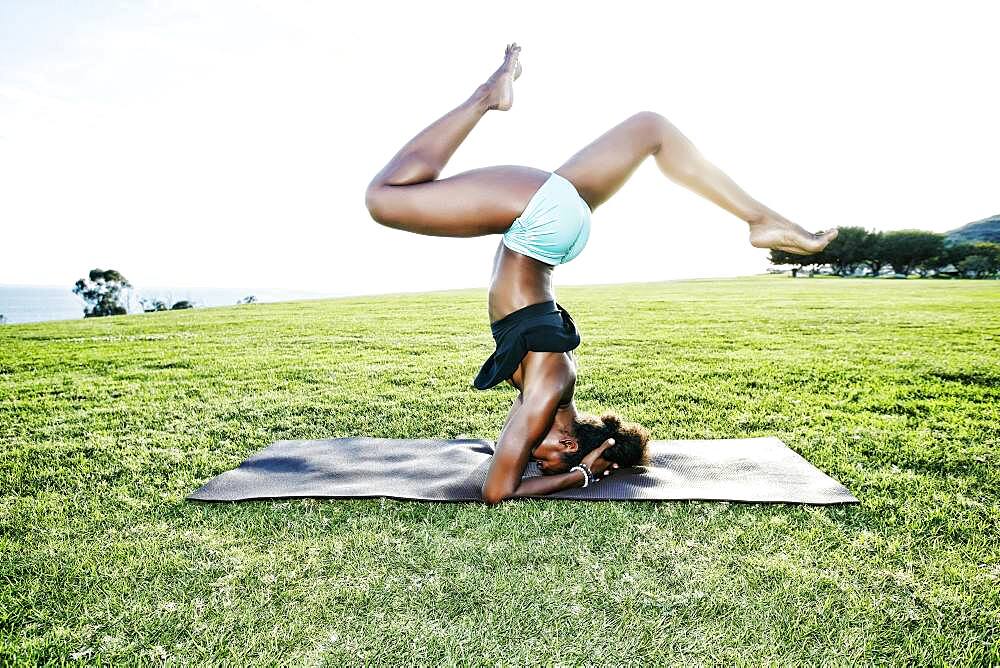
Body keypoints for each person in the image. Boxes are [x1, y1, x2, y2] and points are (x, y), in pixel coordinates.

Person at [364, 44, 837, 504]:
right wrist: (580, 474)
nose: (532, 457)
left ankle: (760, 218)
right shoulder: (548, 390)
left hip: (552, 229)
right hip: (538, 223)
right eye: (542, 460)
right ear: (568, 444)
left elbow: (513, 469)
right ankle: (486, 97)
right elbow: (497, 491)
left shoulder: (554, 386)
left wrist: (576, 463)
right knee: (384, 199)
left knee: (652, 129)